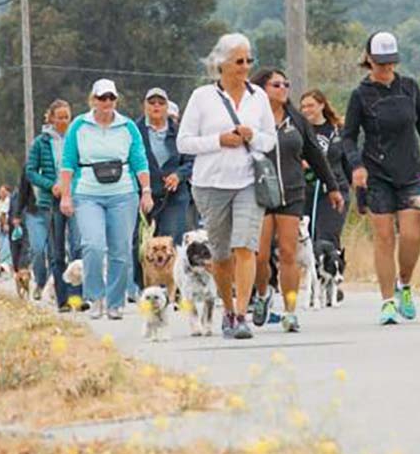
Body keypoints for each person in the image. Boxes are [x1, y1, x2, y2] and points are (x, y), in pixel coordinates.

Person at [343, 31, 420, 326]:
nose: (386, 69)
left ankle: (405, 285)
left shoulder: (409, 88)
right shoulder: (360, 95)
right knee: (384, 237)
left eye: (390, 63)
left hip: (411, 171)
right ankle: (387, 301)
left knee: (413, 235)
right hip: (376, 173)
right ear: (368, 60)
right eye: (380, 63)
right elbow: (349, 137)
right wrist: (356, 166)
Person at [177, 33, 277, 340]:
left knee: (245, 247)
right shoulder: (202, 97)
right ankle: (227, 308)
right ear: (221, 64)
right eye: (239, 61)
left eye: (249, 60)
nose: (245, 66)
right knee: (220, 255)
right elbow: (184, 142)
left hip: (248, 180)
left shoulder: (258, 97)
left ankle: (241, 315)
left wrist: (252, 137)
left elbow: (270, 140)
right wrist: (218, 140)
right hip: (210, 184)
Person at [250, 68, 344, 333]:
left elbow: (315, 154)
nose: (283, 88)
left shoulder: (297, 120)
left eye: (286, 84)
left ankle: (290, 311)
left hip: (292, 191)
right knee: (261, 255)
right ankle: (262, 295)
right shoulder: (252, 117)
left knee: (290, 253)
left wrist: (333, 187)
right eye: (276, 84)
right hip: (260, 192)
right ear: (261, 89)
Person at [57, 79, 153, 320]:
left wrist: (147, 190)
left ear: (116, 100)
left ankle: (115, 301)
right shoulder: (79, 125)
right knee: (93, 244)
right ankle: (95, 296)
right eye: (102, 98)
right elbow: (68, 162)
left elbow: (139, 160)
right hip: (88, 192)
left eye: (111, 98)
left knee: (120, 249)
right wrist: (66, 195)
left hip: (123, 192)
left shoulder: (127, 126)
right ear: (93, 100)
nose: (107, 102)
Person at [131, 87, 195, 297]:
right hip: (144, 194)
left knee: (170, 242)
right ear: (145, 106)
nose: (156, 107)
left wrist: (179, 175)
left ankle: (173, 289)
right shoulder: (134, 130)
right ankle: (145, 288)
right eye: (152, 103)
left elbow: (191, 160)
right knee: (142, 245)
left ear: (167, 107)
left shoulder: (179, 131)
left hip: (174, 196)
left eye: (161, 103)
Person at [26, 99, 84, 311]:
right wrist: (51, 186)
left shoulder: (76, 139)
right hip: (51, 202)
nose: (63, 121)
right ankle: (63, 300)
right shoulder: (41, 143)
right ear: (50, 118)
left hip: (75, 197)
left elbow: (83, 166)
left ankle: (78, 296)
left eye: (66, 117)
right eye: (59, 117)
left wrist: (71, 186)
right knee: (56, 250)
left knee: (78, 245)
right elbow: (31, 171)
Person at [299, 88, 361, 250]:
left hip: (334, 189)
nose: (306, 110)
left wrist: (359, 193)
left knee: (327, 237)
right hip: (306, 191)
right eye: (303, 107)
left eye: (310, 105)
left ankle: (332, 272)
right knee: (305, 238)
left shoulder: (337, 131)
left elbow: (348, 163)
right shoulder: (298, 131)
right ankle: (311, 274)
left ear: (321, 105)